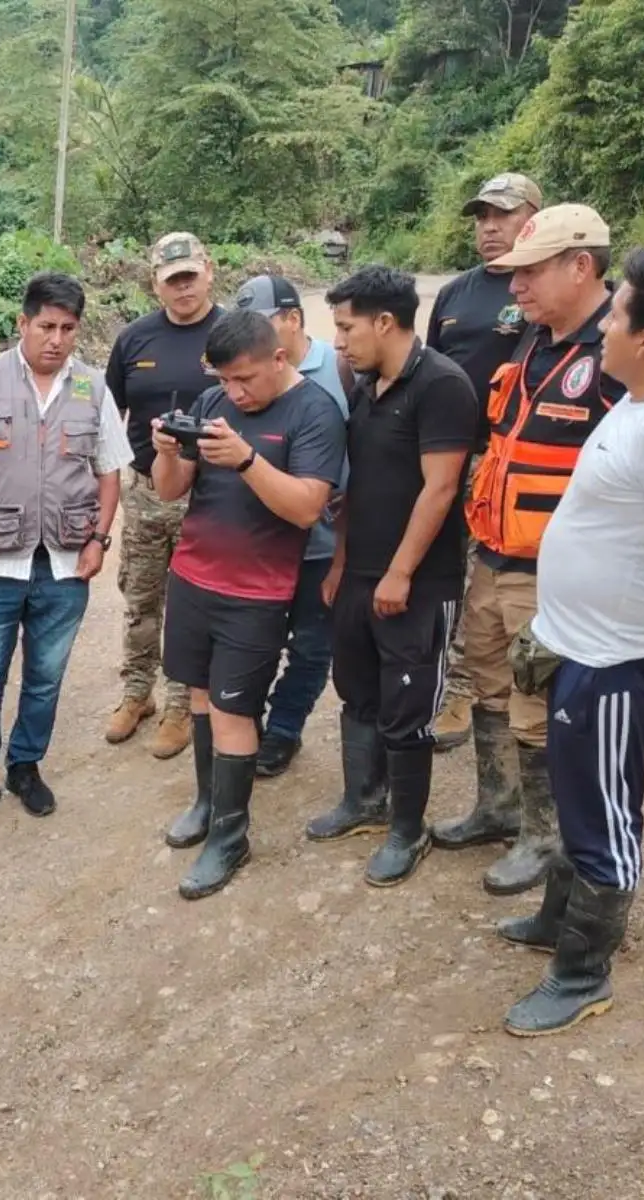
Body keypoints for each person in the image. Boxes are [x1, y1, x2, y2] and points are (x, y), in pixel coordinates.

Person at [499, 248, 644, 1036]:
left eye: (619, 309)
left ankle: (583, 972)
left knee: (603, 814)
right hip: (583, 643)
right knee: (577, 796)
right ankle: (557, 922)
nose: (604, 319)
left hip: (616, 660)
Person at [434, 204, 622, 898]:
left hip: (557, 572)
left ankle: (543, 836)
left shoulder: (621, 348)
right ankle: (498, 805)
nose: (514, 288)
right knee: (488, 678)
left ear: (581, 267)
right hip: (495, 552)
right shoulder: (537, 341)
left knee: (537, 700)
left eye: (530, 272)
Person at [150, 309, 345, 899]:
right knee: (201, 697)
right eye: (224, 379)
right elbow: (170, 490)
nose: (234, 392)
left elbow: (308, 508)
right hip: (193, 576)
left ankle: (231, 839)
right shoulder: (214, 404)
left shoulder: (316, 412)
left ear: (279, 359)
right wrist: (165, 451)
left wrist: (247, 459)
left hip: (256, 593)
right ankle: (209, 804)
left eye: (246, 380)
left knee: (236, 713)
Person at [0, 272, 131, 833]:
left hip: (67, 564)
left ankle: (24, 766)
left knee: (45, 677)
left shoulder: (92, 387)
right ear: (22, 324)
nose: (57, 339)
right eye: (46, 326)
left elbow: (110, 471)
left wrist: (98, 540)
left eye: (68, 328)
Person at [306, 267, 481, 887]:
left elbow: (439, 490)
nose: (340, 341)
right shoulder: (365, 385)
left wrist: (401, 572)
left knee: (407, 709)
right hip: (360, 574)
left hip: (416, 582)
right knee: (357, 690)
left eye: (348, 327)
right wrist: (341, 562)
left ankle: (408, 829)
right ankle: (363, 801)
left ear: (385, 322)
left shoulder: (442, 385)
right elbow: (356, 485)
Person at [424, 172, 543, 754]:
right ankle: (454, 685)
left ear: (534, 218)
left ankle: (484, 691)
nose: (490, 227)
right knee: (450, 573)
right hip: (452, 458)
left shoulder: (543, 294)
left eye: (503, 214)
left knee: (498, 587)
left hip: (517, 466)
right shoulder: (454, 294)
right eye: (481, 217)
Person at [102, 233, 224, 759]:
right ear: (155, 283)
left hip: (213, 497)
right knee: (141, 597)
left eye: (189, 277)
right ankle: (137, 694)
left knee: (192, 605)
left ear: (208, 272)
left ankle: (180, 704)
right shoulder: (134, 340)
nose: (182, 289)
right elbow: (108, 418)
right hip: (148, 493)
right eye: (171, 280)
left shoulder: (233, 333)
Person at [234, 274, 353, 777]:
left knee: (310, 644)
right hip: (259, 544)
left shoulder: (341, 368)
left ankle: (284, 727)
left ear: (293, 320)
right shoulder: (243, 376)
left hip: (320, 541)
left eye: (262, 325)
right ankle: (245, 723)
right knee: (254, 641)